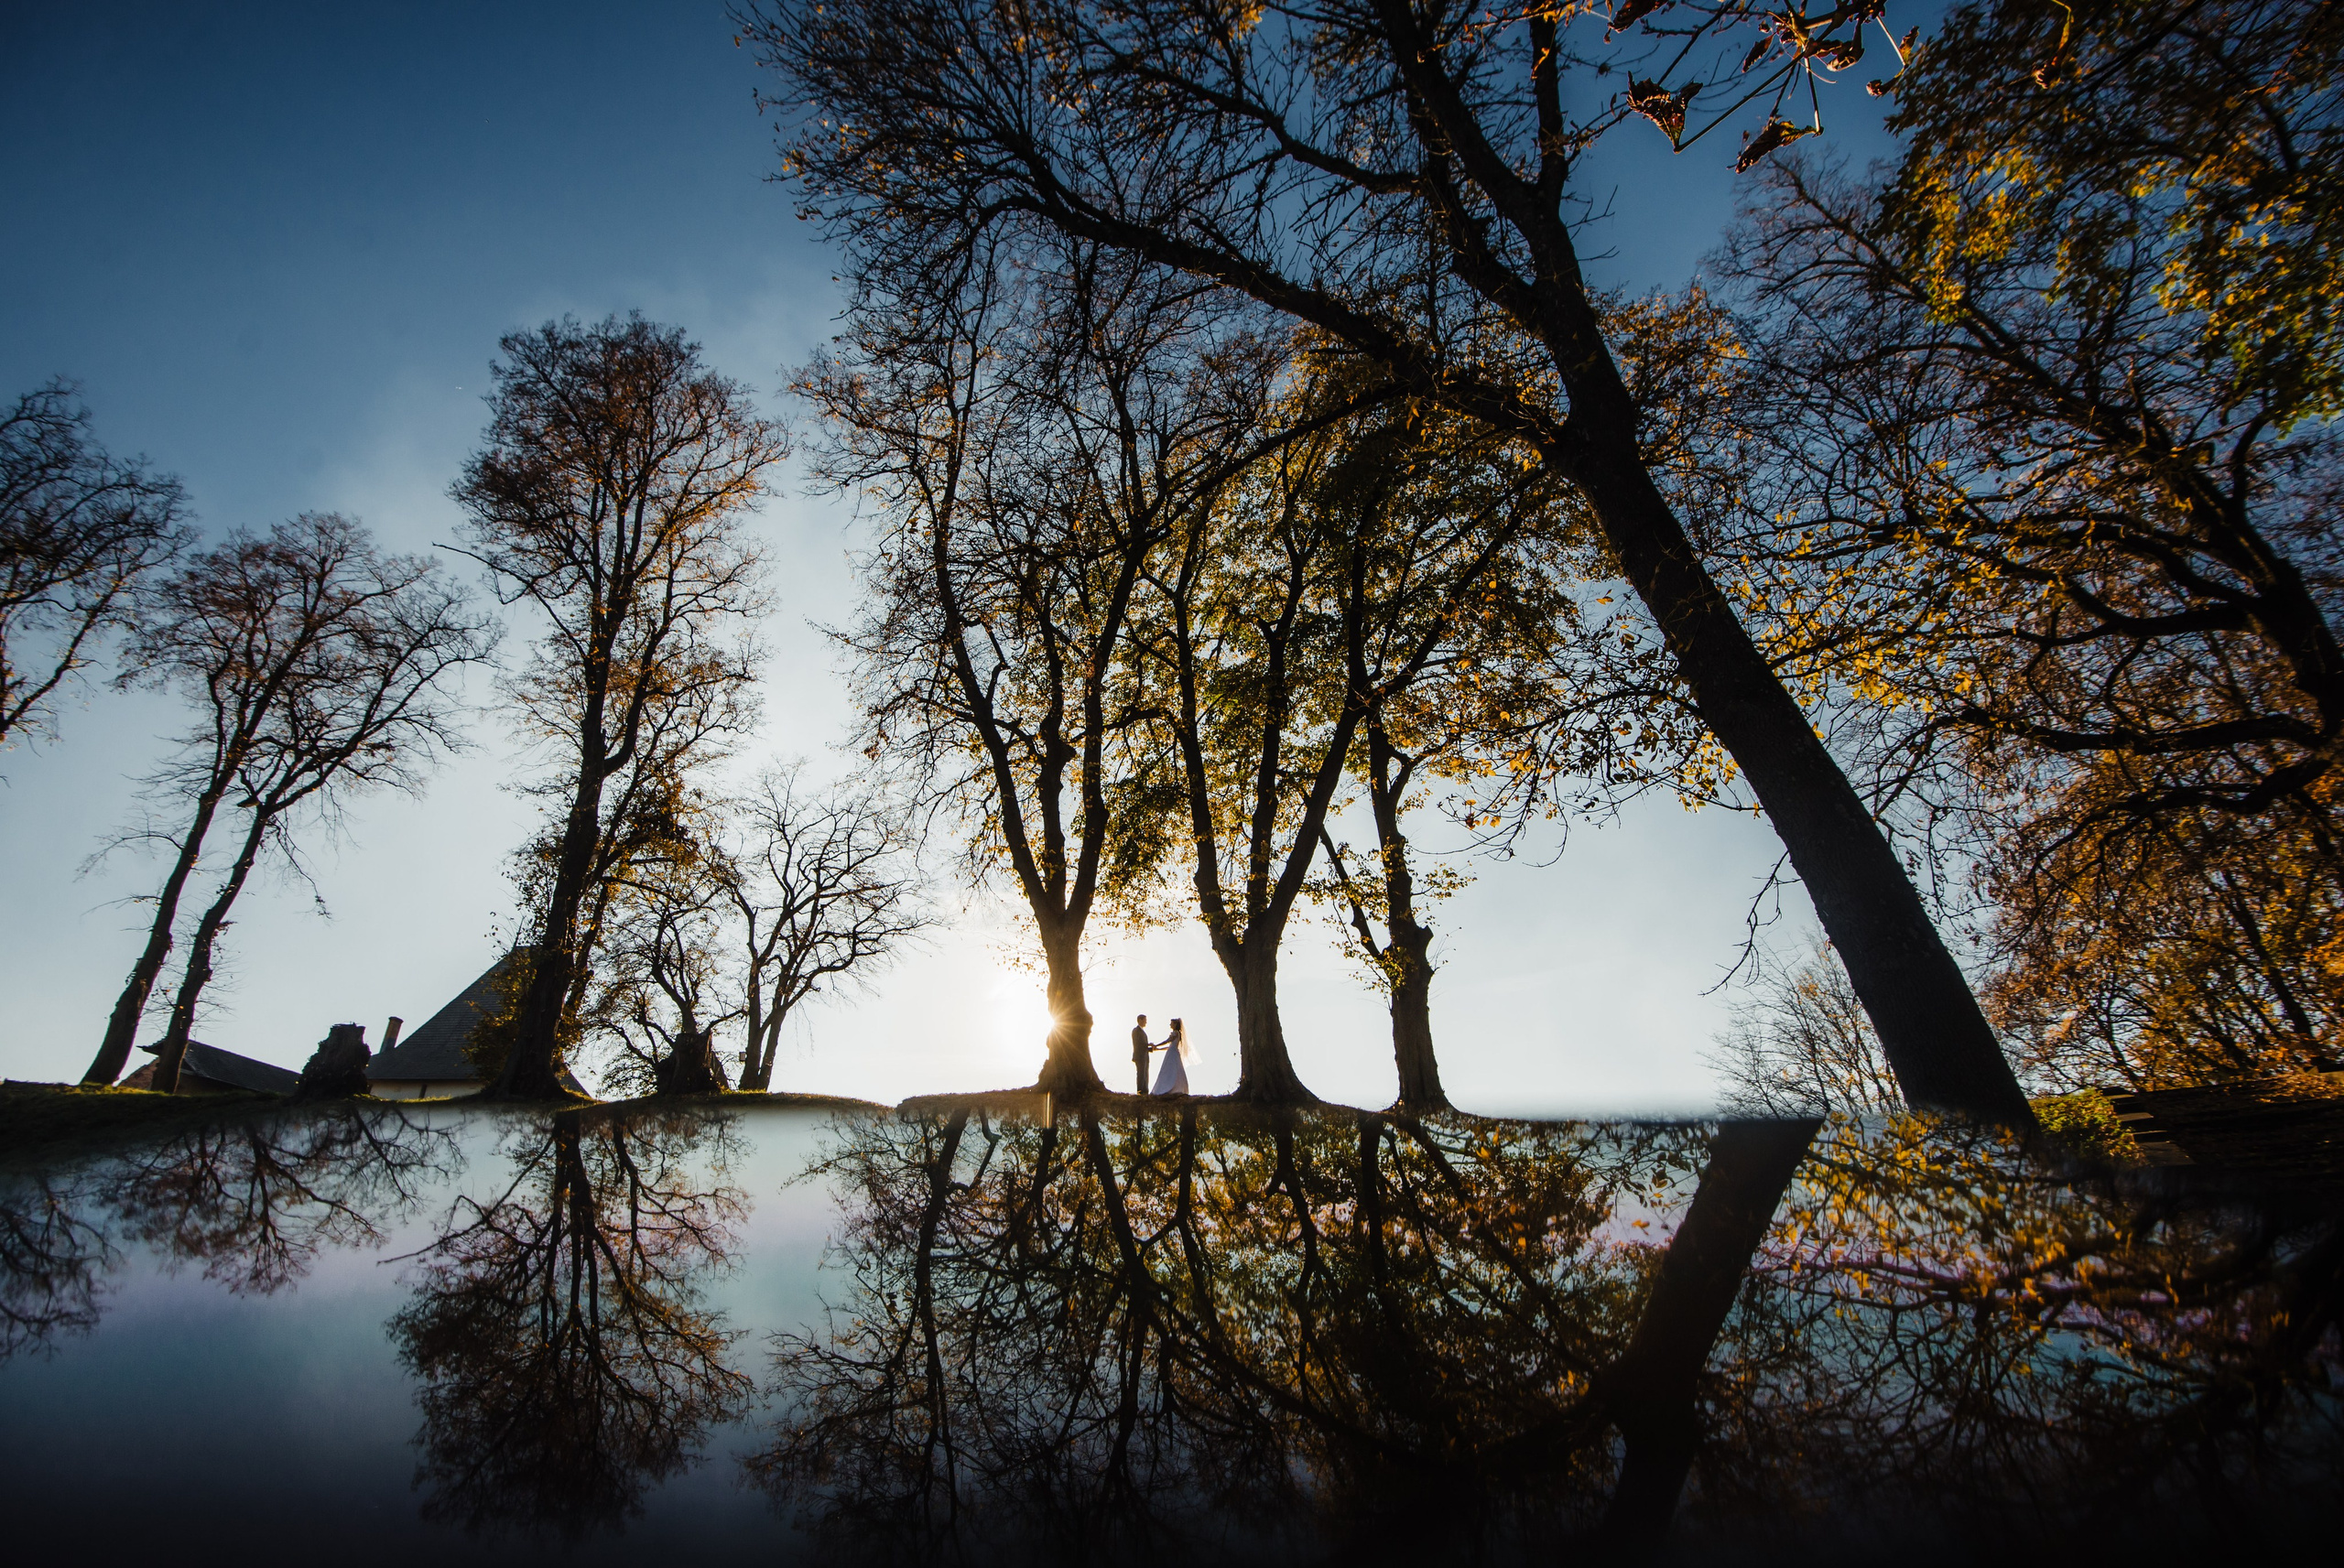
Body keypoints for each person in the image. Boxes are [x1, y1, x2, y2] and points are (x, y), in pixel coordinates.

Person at [1150, 1018, 1188, 1098]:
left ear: (1175, 1024)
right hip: (1172, 1052)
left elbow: (1166, 1041)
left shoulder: (1175, 1033)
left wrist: (1156, 1045)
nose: (1170, 1025)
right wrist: (1158, 1049)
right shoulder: (1177, 1033)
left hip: (1172, 1053)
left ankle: (1169, 1087)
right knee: (1172, 1069)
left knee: (1169, 1069)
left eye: (1171, 1023)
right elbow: (1170, 1046)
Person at [1131, 1014, 1155, 1097]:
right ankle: (1140, 1092)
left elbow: (1143, 1046)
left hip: (1145, 1056)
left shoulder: (1143, 1033)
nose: (1146, 1022)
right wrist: (1148, 1045)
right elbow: (1138, 1044)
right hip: (1139, 1056)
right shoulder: (1136, 1031)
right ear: (1140, 1020)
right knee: (1141, 1074)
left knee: (1145, 1074)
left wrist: (1150, 1048)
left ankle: (1145, 1092)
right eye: (1145, 1020)